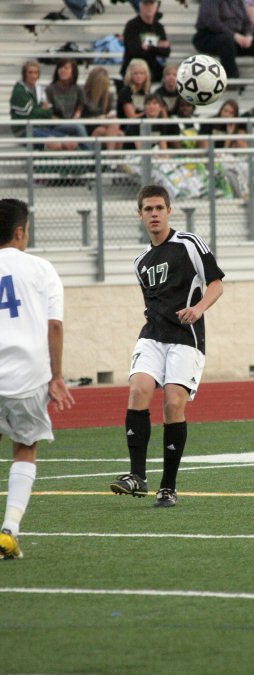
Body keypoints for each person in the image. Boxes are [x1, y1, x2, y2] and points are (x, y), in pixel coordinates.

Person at [110, 184, 224, 507]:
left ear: (169, 210)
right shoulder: (140, 262)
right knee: (138, 390)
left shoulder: (188, 243)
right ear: (140, 215)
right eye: (148, 209)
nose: (154, 214)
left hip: (186, 337)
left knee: (173, 404)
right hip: (152, 335)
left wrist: (198, 309)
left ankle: (168, 486)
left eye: (160, 208)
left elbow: (216, 284)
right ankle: (137, 477)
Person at [0, 198, 74, 559]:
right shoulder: (42, 269)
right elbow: (55, 325)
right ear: (19, 232)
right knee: (24, 449)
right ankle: (9, 529)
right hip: (28, 376)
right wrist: (57, 376)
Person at [192, 0, 254, 81]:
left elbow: (247, 22)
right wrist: (234, 35)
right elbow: (212, 22)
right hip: (209, 36)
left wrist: (248, 36)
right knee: (226, 41)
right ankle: (232, 80)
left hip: (235, 37)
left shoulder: (238, 1)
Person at [10, 60, 78, 151]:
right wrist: (42, 111)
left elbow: (49, 111)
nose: (33, 76)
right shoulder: (19, 91)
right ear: (24, 74)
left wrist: (41, 111)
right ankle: (43, 165)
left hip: (41, 127)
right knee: (54, 144)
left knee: (71, 143)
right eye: (30, 73)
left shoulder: (38, 89)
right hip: (25, 131)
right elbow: (30, 115)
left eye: (36, 73)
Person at [120, 0, 171, 84]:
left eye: (151, 4)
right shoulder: (132, 26)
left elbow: (166, 52)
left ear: (156, 6)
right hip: (133, 72)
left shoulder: (159, 27)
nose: (149, 7)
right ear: (140, 6)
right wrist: (157, 47)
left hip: (153, 71)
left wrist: (148, 47)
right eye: (145, 4)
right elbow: (134, 51)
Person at [45, 58, 89, 149]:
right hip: (56, 124)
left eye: (66, 68)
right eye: (60, 68)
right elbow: (47, 112)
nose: (62, 70)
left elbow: (80, 107)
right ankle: (92, 155)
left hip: (73, 121)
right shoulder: (50, 89)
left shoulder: (78, 89)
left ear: (73, 71)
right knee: (78, 127)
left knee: (79, 126)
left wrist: (76, 117)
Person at [82, 66, 123, 150]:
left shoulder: (109, 96)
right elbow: (80, 117)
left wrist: (107, 117)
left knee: (118, 131)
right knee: (111, 132)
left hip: (105, 124)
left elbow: (111, 112)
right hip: (89, 126)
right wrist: (97, 118)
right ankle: (111, 158)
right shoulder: (83, 95)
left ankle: (111, 158)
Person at [117, 58, 152, 146]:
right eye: (136, 73)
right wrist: (147, 112)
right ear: (130, 75)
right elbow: (131, 117)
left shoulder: (147, 92)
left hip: (145, 125)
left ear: (146, 75)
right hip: (127, 127)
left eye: (142, 73)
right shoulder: (125, 91)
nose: (139, 76)